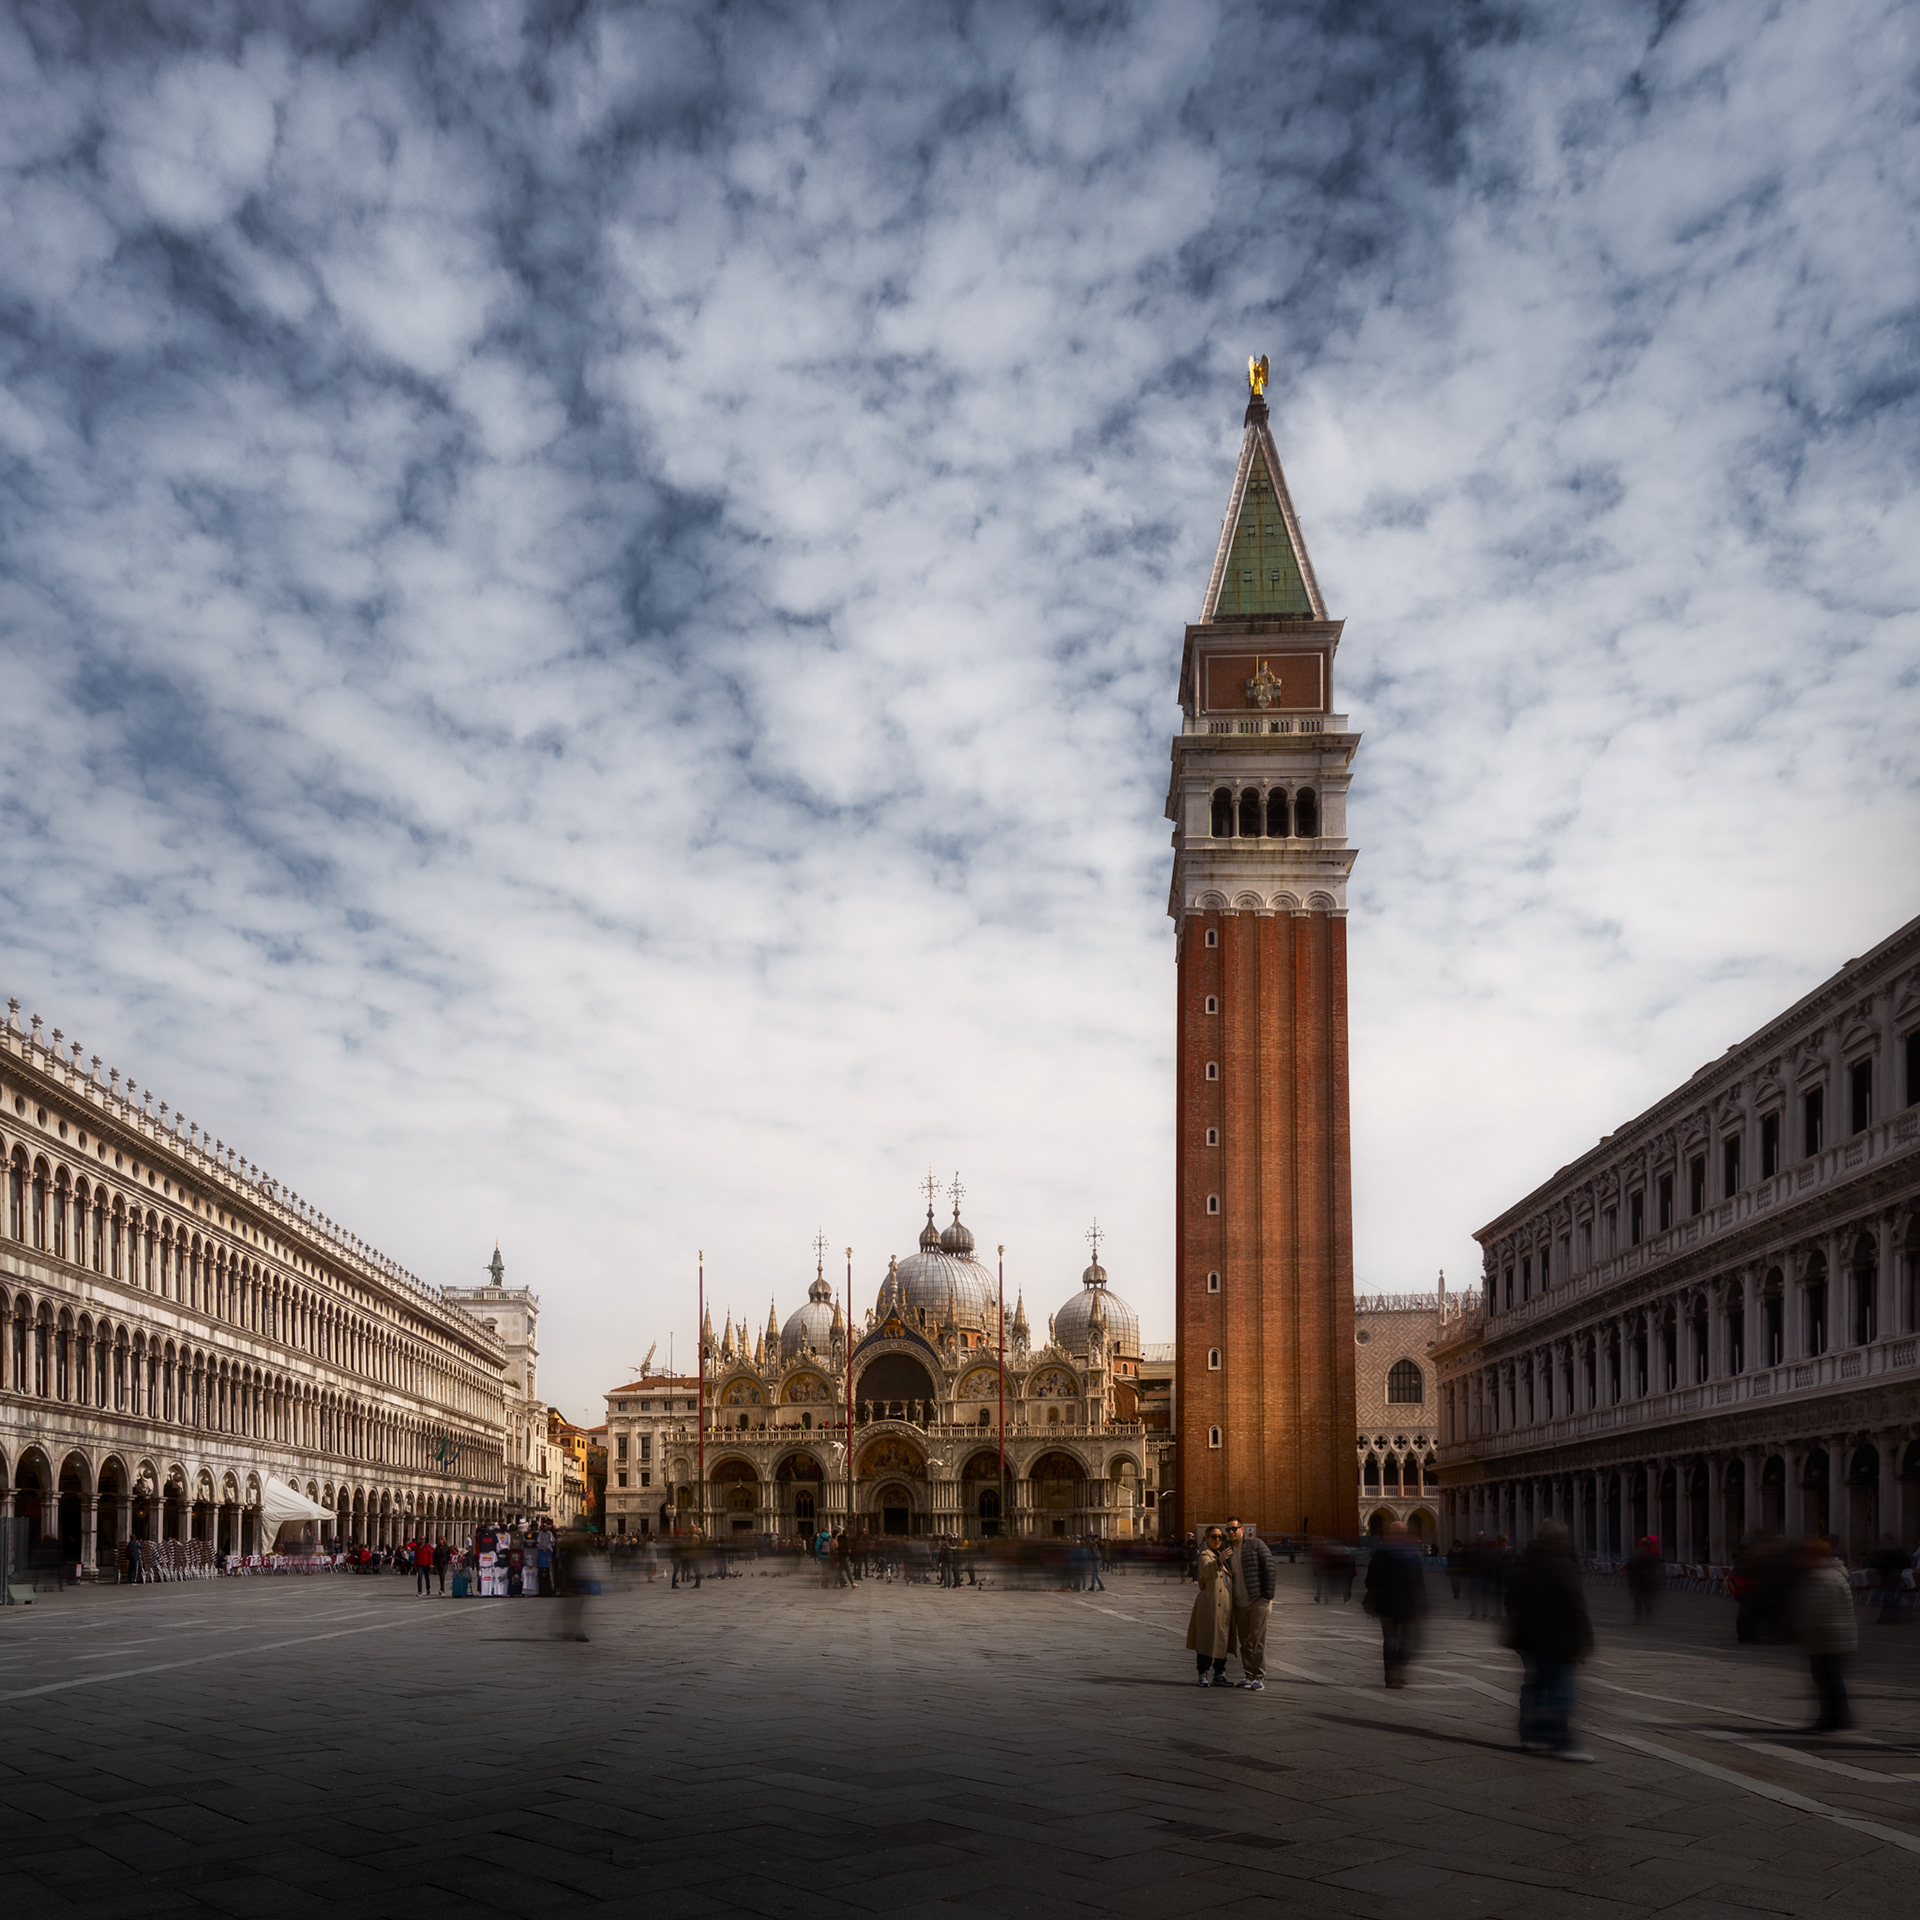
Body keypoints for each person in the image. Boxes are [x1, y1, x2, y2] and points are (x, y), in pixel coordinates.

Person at [1505, 1522, 1596, 1761]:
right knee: (1560, 1691)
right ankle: (1560, 1740)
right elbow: (1576, 1605)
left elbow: (1510, 1600)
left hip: (1529, 1638)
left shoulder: (1524, 1563)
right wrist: (1584, 1639)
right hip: (1559, 1639)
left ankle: (1530, 1735)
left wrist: (1517, 1631)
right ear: (1561, 1541)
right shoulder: (1564, 1565)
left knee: (1533, 1687)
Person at [1791, 1535, 1858, 1732]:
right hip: (1836, 1635)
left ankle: (1836, 1719)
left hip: (1827, 1636)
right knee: (1829, 1679)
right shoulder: (1834, 1573)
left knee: (1828, 1679)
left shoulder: (1820, 1576)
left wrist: (1800, 1630)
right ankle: (1834, 1718)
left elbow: (1813, 1610)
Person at [1364, 1521, 1428, 1688]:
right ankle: (1393, 1676)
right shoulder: (1392, 1553)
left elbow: (1370, 1582)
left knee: (1409, 1641)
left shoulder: (1393, 1553)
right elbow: (1418, 1582)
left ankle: (1394, 1671)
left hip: (1399, 1605)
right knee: (1395, 1641)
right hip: (1392, 1604)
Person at [1224, 1519, 1275, 1692]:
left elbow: (1269, 1567)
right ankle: (1248, 1675)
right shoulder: (1227, 1550)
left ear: (1242, 1529)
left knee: (1257, 1640)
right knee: (1244, 1641)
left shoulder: (1256, 1544)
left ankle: (1259, 1676)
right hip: (1239, 1603)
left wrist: (1267, 1596)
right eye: (1228, 1529)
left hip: (1257, 1600)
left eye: (1234, 1529)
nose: (1231, 1532)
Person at [1187, 1526, 1237, 1686]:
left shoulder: (1225, 1554)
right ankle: (1202, 1673)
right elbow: (1205, 1570)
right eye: (1213, 1537)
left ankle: (1219, 1673)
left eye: (1220, 1537)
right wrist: (1219, 1561)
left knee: (1222, 1639)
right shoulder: (1205, 1555)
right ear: (1206, 1539)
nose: (1217, 1540)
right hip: (1211, 1604)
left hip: (1225, 1606)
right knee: (1206, 1640)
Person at [1625, 1535, 1662, 1624]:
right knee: (1640, 1600)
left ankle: (1646, 1618)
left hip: (1646, 1582)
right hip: (1640, 1582)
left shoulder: (1646, 1557)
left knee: (1646, 1600)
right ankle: (1640, 1618)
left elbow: (1629, 1566)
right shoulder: (1648, 1557)